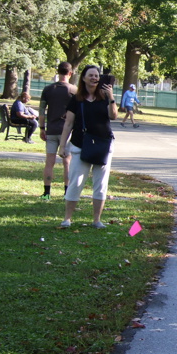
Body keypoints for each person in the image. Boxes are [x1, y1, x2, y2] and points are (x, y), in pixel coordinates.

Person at [58, 65, 117, 228]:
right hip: (80, 144)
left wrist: (111, 97)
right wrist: (62, 146)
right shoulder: (76, 99)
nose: (94, 78)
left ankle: (97, 220)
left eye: (96, 75)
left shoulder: (105, 97)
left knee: (100, 184)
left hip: (103, 145)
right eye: (90, 75)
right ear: (83, 78)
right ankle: (67, 218)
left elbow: (113, 115)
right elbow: (68, 124)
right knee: (75, 182)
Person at [38, 61, 76, 199]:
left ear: (58, 72)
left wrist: (42, 128)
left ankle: (47, 193)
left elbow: (41, 111)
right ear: (70, 73)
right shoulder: (74, 90)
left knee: (49, 162)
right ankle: (67, 192)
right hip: (67, 131)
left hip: (51, 130)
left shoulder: (48, 89)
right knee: (67, 162)